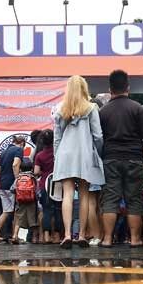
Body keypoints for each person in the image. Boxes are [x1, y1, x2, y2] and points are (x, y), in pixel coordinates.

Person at [98, 70, 143, 248]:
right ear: (128, 88)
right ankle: (135, 239)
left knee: (110, 199)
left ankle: (107, 239)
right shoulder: (137, 108)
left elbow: (98, 137)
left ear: (110, 89)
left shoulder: (103, 111)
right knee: (134, 200)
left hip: (110, 159)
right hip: (134, 159)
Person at [53, 75, 105, 249]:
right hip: (85, 154)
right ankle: (82, 235)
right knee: (84, 195)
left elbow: (57, 137)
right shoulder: (91, 108)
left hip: (65, 155)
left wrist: (56, 157)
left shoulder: (60, 108)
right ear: (84, 88)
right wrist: (98, 152)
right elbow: (98, 135)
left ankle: (67, 234)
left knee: (67, 194)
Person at [0, 134, 25, 243]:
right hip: (12, 185)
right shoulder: (18, 150)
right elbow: (15, 165)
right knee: (17, 210)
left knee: (6, 211)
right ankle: (14, 236)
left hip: (3, 184)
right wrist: (17, 180)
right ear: (21, 144)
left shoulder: (3, 152)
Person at [34, 129, 62, 244]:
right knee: (58, 210)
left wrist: (44, 172)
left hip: (44, 185)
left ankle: (46, 236)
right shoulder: (58, 153)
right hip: (58, 184)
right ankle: (56, 236)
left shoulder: (39, 155)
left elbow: (36, 172)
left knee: (46, 210)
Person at [11, 159, 38, 244]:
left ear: (20, 169)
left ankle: (15, 235)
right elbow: (37, 190)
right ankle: (34, 238)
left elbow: (12, 189)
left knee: (19, 218)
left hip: (20, 201)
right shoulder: (33, 178)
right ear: (31, 169)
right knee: (33, 219)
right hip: (32, 201)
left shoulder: (18, 178)